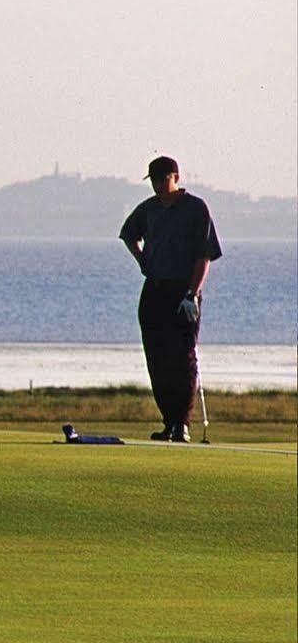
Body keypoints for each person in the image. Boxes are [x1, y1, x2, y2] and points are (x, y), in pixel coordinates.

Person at [119, 155, 221, 442]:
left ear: (174, 177)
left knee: (183, 358)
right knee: (157, 358)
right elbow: (129, 234)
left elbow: (204, 256)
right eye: (153, 180)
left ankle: (182, 423)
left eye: (162, 179)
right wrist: (142, 261)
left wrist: (192, 293)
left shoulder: (195, 209)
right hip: (155, 289)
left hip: (184, 291)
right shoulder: (149, 209)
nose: (158, 185)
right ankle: (168, 421)